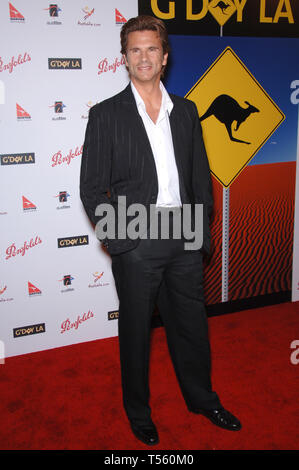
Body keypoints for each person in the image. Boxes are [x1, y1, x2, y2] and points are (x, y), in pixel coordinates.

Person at [80, 15, 241, 446]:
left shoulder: (186, 111)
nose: (144, 57)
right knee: (135, 331)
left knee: (191, 325)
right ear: (125, 58)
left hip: (183, 232)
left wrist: (200, 233)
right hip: (136, 237)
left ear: (164, 57)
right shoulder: (105, 114)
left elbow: (198, 178)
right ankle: (138, 411)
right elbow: (92, 189)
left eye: (152, 48)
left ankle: (203, 399)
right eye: (135, 50)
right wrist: (122, 243)